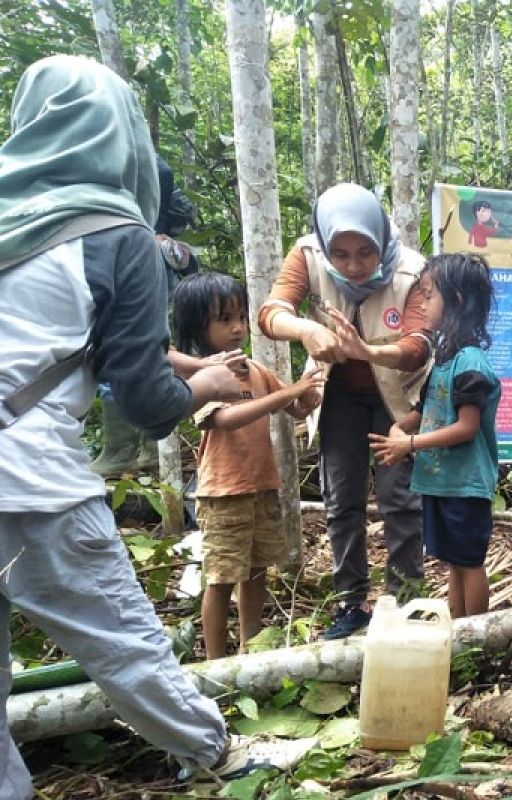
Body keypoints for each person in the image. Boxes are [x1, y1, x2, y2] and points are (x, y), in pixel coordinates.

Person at [0, 56, 313, 797]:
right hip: (28, 476)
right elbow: (139, 395)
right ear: (120, 140)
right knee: (124, 638)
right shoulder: (113, 232)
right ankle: (214, 753)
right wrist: (199, 382)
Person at [257, 182, 431, 640]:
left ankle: (406, 602)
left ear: (382, 240)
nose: (354, 267)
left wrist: (367, 352)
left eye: (365, 252)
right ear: (326, 245)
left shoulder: (412, 271)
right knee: (342, 501)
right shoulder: (309, 255)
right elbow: (271, 311)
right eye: (343, 254)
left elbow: (417, 347)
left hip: (396, 397)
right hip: (337, 396)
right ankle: (351, 604)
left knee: (400, 500)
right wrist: (305, 332)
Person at [173, 274, 324, 659]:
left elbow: (295, 408)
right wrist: (290, 392)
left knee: (257, 571)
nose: (238, 327)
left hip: (261, 485)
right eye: (225, 319)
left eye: (240, 316)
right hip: (223, 493)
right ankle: (214, 662)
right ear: (198, 327)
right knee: (222, 578)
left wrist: (309, 389)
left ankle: (250, 650)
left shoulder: (256, 371)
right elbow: (225, 420)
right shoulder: (201, 378)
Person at [363, 254, 502, 618]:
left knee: (470, 562)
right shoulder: (443, 362)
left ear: (455, 300)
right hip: (442, 483)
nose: (422, 303)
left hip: (466, 485)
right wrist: (399, 428)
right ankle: (458, 635)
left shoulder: (470, 363)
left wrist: (408, 444)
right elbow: (424, 411)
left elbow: (466, 427)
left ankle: (478, 639)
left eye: (428, 295)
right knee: (456, 562)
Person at [89, 156, 201, 478]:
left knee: (125, 348)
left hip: (141, 274)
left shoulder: (144, 237)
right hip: (150, 269)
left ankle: (125, 450)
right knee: (142, 351)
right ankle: (137, 449)